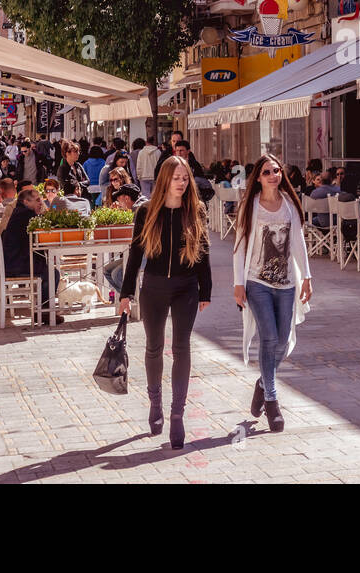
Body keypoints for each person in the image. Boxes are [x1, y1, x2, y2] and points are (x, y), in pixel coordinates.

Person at [118, 157, 211, 449]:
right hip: (154, 287)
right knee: (154, 347)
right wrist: (125, 293)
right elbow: (135, 254)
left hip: (186, 288)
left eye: (185, 178)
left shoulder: (195, 209)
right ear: (164, 180)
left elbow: (204, 252)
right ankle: (155, 403)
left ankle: (177, 415)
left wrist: (206, 290)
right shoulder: (146, 211)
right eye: (177, 178)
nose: (182, 183)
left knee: (182, 348)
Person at [232, 155, 313, 435]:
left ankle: (263, 382)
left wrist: (307, 277)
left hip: (287, 283)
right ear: (258, 176)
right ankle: (272, 401)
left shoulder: (289, 204)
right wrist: (237, 283)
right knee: (268, 337)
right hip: (257, 282)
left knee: (281, 341)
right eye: (267, 172)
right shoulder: (250, 206)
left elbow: (299, 242)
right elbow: (240, 245)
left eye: (276, 171)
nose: (272, 175)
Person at [0, 187, 61, 324]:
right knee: (53, 273)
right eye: (37, 200)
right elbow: (41, 236)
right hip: (18, 264)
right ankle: (44, 312)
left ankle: (43, 309)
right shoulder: (26, 214)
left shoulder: (22, 212)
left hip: (14, 261)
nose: (41, 202)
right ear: (26, 201)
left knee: (49, 270)